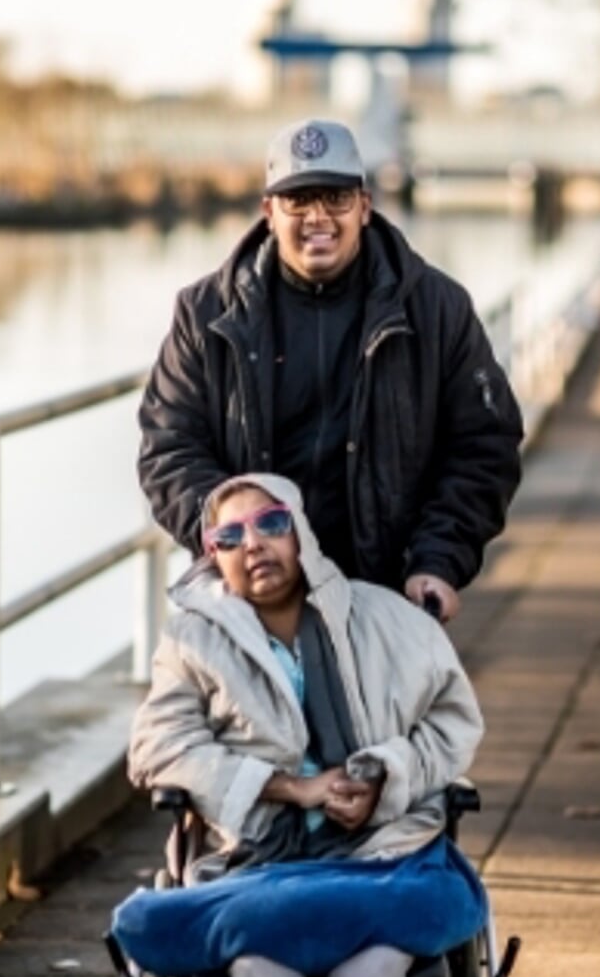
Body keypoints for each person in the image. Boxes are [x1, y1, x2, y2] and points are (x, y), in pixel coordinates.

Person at [114, 473, 486, 977]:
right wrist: (289, 787)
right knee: (258, 976)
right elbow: (157, 746)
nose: (254, 544)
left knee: (373, 976)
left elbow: (454, 723)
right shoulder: (191, 641)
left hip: (383, 858)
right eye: (231, 537)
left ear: (300, 533)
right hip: (256, 865)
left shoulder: (389, 619)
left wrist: (384, 776)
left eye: (270, 523)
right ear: (212, 556)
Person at [136, 119, 523, 622]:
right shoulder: (205, 314)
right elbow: (169, 448)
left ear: (364, 207)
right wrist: (236, 541)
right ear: (269, 212)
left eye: (336, 199)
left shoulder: (438, 308)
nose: (318, 217)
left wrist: (437, 560)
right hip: (251, 602)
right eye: (299, 201)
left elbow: (483, 446)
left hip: (387, 598)